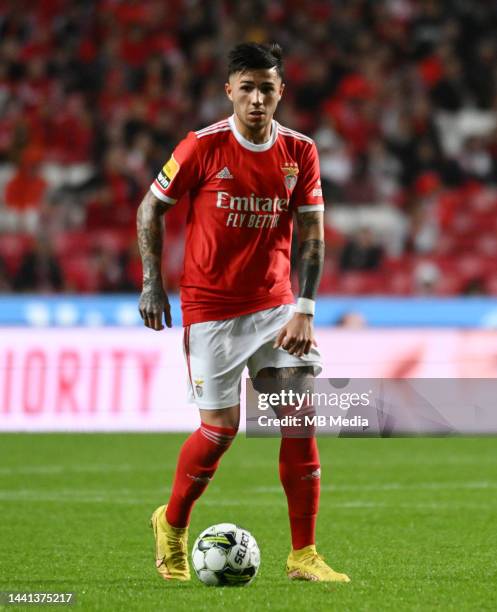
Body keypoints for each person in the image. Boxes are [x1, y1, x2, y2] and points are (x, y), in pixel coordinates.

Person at [137, 43, 350, 584]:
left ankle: (303, 554)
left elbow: (312, 235)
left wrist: (304, 307)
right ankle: (173, 524)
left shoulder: (299, 152)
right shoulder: (201, 147)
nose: (257, 99)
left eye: (267, 88)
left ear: (281, 93)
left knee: (298, 417)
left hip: (276, 307)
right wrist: (151, 284)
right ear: (230, 90)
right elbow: (150, 209)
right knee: (220, 431)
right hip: (211, 309)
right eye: (248, 87)